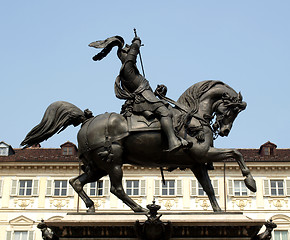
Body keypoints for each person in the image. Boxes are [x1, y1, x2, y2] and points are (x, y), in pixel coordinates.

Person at [114, 36, 191, 152]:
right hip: (144, 101)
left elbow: (145, 91)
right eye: (128, 51)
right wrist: (136, 43)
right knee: (165, 112)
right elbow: (132, 56)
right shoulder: (127, 69)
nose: (131, 53)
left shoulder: (132, 72)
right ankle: (173, 141)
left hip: (147, 99)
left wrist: (157, 93)